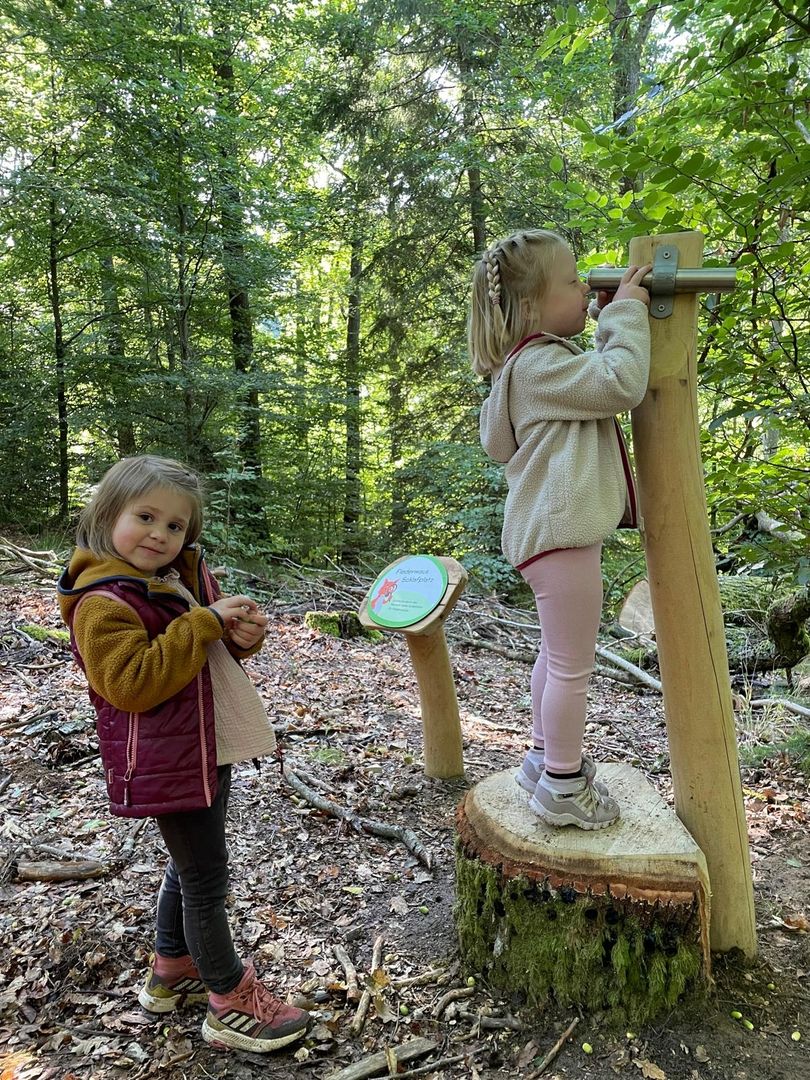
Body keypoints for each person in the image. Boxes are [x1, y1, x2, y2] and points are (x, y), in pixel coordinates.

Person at [57, 455, 311, 1053]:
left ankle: (173, 968)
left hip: (202, 744)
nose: (160, 534)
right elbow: (132, 683)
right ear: (106, 515)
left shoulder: (175, 578)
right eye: (145, 517)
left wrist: (239, 638)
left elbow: (200, 658)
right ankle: (229, 1000)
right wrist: (203, 624)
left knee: (190, 862)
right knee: (204, 876)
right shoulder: (102, 602)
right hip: (164, 757)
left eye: (175, 526)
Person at [470, 229, 652, 830]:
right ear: (530, 307)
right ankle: (563, 786)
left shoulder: (527, 368)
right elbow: (620, 382)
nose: (583, 289)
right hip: (561, 537)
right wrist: (625, 313)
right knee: (573, 665)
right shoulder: (541, 365)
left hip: (548, 538)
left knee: (556, 655)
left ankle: (541, 759)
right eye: (572, 282)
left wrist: (605, 322)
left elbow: (596, 377)